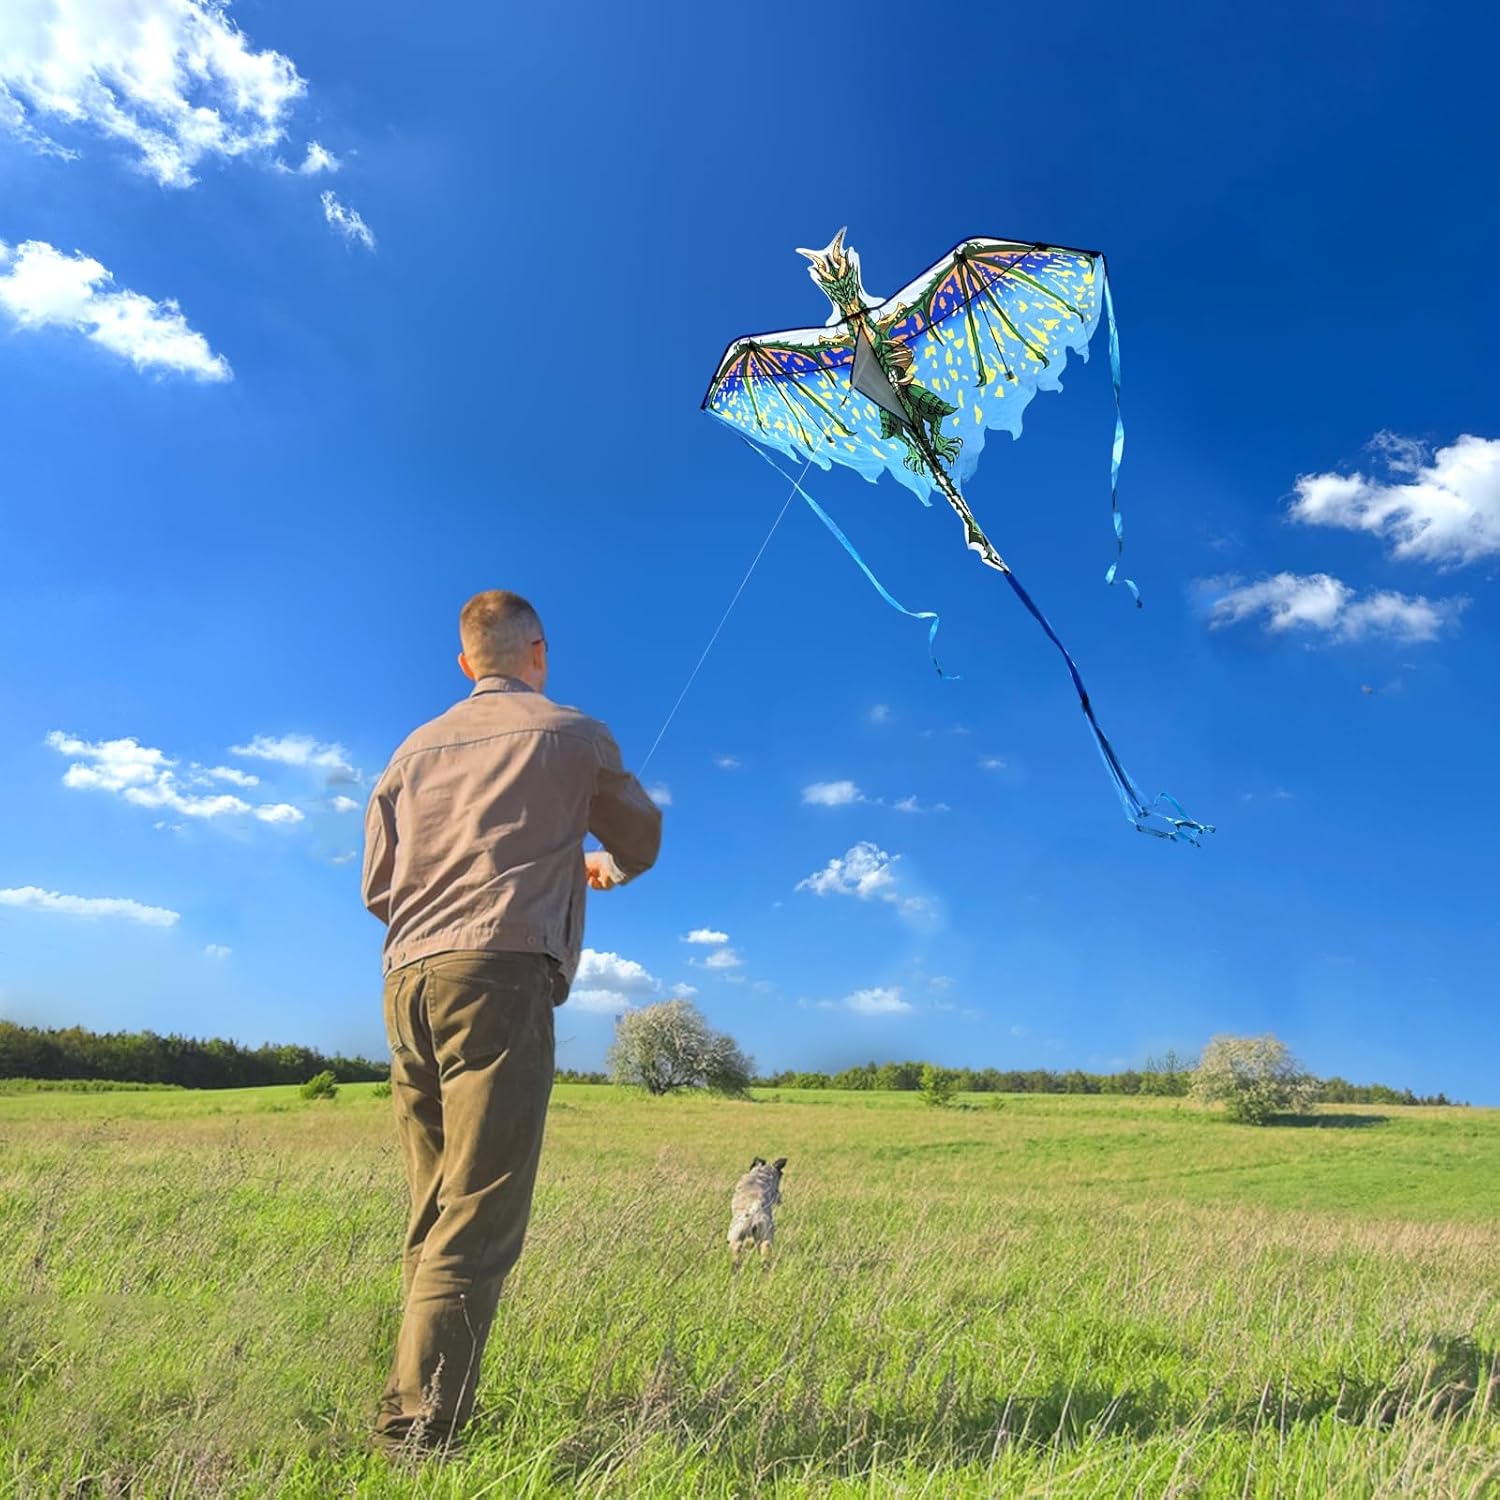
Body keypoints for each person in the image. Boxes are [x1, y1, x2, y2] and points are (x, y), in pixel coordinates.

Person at [361, 588, 661, 1453]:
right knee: (480, 1209)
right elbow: (641, 838)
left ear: (465, 664)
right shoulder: (573, 733)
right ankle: (418, 1432)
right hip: (499, 977)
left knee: (434, 1201)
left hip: (407, 978)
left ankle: (418, 1399)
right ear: (540, 652)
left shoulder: (409, 751)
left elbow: (377, 887)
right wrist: (602, 865)